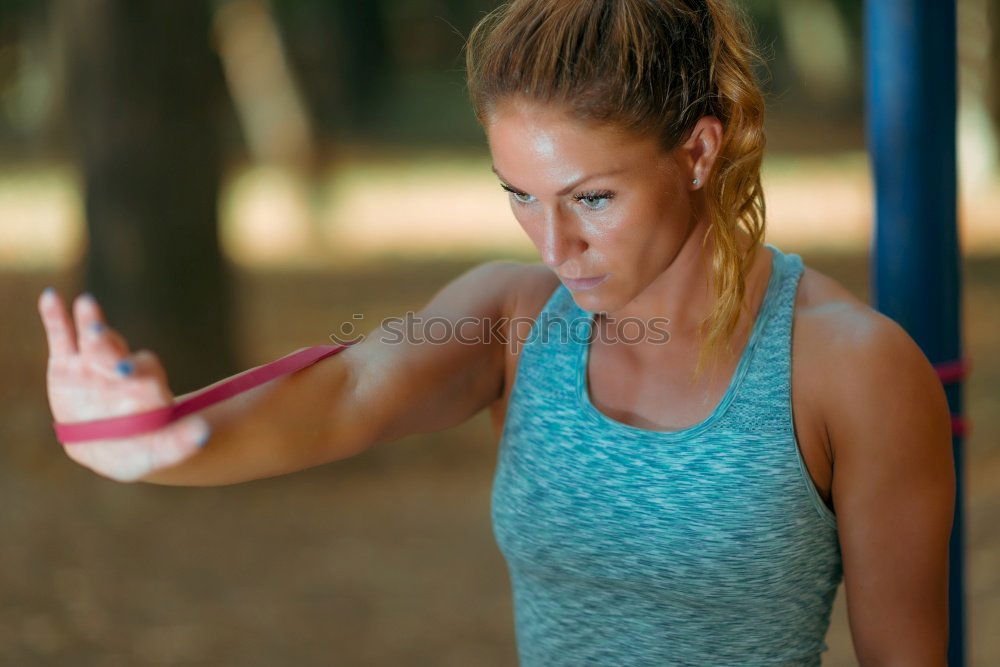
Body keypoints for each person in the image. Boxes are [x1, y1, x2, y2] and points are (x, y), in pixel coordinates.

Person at [38, 0, 954, 664]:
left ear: (699, 150)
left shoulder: (848, 366)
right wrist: (145, 441)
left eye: (592, 197)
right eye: (519, 195)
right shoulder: (514, 319)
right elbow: (343, 396)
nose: (555, 245)